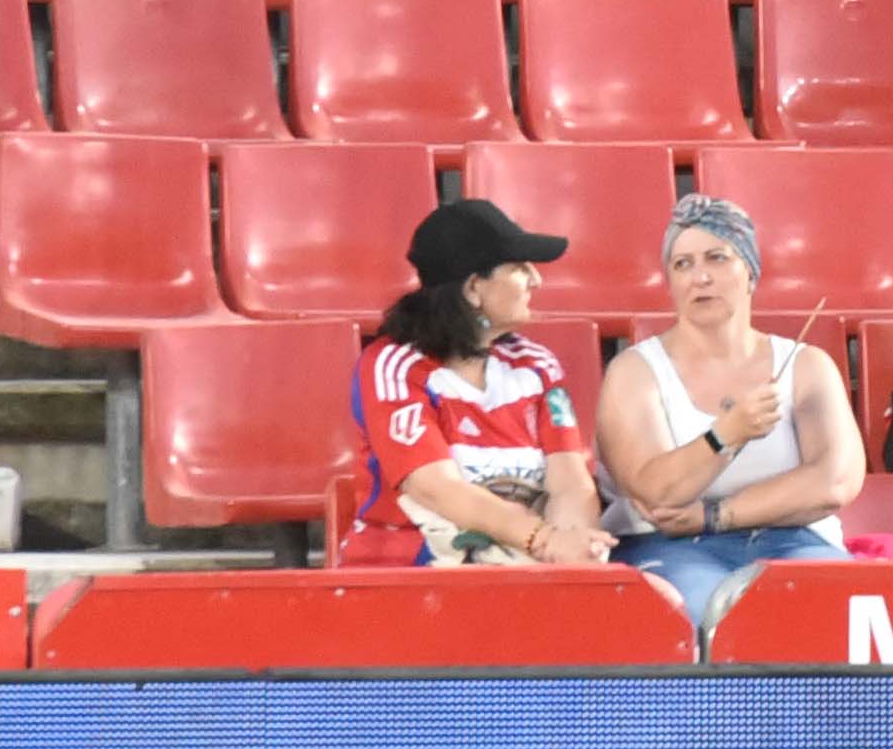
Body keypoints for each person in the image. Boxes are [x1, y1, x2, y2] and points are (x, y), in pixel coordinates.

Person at [594, 194, 861, 632]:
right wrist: (726, 435)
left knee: (837, 611)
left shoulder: (806, 364)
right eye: (682, 265)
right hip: (669, 546)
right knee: (709, 617)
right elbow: (657, 495)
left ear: (750, 272)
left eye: (717, 258)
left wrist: (716, 515)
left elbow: (834, 482)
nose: (700, 277)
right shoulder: (635, 371)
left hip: (794, 541)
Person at [344, 195, 606, 568]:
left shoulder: (537, 365)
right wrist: (543, 540)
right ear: (473, 289)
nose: (536, 279)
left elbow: (571, 483)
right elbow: (437, 490)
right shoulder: (394, 366)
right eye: (518, 267)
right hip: (411, 570)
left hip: (524, 566)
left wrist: (573, 551)